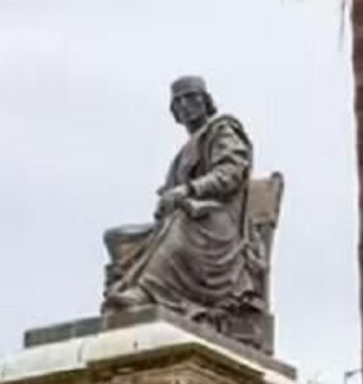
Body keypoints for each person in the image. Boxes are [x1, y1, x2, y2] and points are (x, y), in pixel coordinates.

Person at [102, 76, 257, 323]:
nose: (185, 105)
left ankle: (147, 291)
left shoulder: (222, 130)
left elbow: (231, 172)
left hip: (217, 224)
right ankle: (120, 298)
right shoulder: (186, 150)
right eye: (179, 101)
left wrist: (190, 189)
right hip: (182, 217)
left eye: (191, 98)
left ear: (205, 101)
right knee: (118, 238)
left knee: (182, 220)